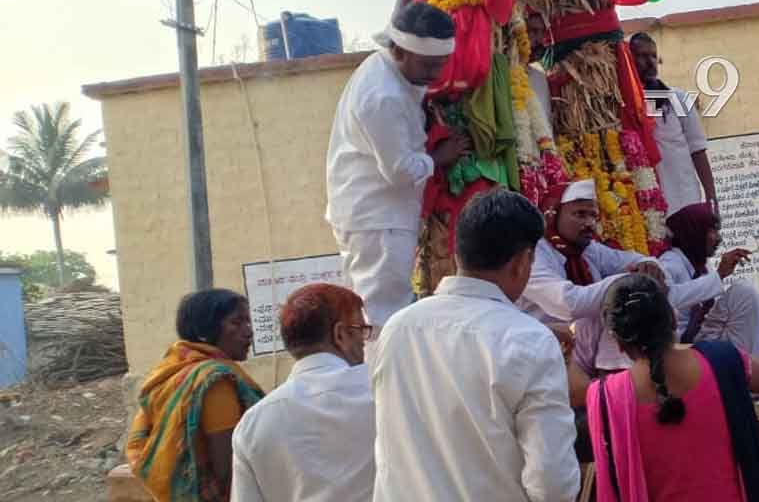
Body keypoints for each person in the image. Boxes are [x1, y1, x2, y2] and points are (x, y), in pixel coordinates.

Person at [371, 190, 580, 501]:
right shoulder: (530, 340)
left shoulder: (398, 328)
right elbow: (551, 483)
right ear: (523, 261)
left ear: (458, 255)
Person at [325, 0, 470, 331]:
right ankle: (382, 381)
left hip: (373, 216)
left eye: (441, 64)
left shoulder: (387, 69)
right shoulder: (383, 95)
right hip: (378, 219)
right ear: (399, 51)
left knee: (370, 313)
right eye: (428, 65)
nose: (436, 75)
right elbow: (400, 171)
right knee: (381, 317)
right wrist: (438, 158)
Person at [586, 273, 759, 502]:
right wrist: (689, 347)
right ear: (672, 318)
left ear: (619, 344)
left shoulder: (605, 396)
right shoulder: (720, 360)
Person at [231, 283, 375, 502]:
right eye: (360, 331)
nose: (364, 343)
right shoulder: (381, 392)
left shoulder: (253, 423)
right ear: (340, 335)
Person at [127, 289, 261, 502]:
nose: (248, 331)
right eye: (237, 323)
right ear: (205, 331)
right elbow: (226, 470)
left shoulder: (168, 372)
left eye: (248, 321)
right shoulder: (214, 381)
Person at [521, 179, 659, 372]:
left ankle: (617, 388)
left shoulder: (586, 248)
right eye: (580, 214)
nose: (590, 224)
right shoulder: (533, 253)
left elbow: (635, 259)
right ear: (552, 214)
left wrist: (649, 265)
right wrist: (629, 280)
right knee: (619, 303)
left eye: (594, 216)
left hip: (579, 353)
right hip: (542, 357)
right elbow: (570, 304)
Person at [660, 202, 759, 362]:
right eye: (712, 230)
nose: (719, 238)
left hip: (709, 336)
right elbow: (668, 299)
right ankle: (751, 369)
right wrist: (720, 274)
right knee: (742, 292)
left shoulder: (699, 263)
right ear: (694, 233)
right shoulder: (668, 263)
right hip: (688, 348)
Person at [629, 32, 717, 213]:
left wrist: (711, 196)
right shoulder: (624, 104)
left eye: (654, 56)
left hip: (685, 201)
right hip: (644, 205)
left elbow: (697, 148)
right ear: (629, 60)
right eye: (643, 56)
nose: (651, 62)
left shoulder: (678, 98)